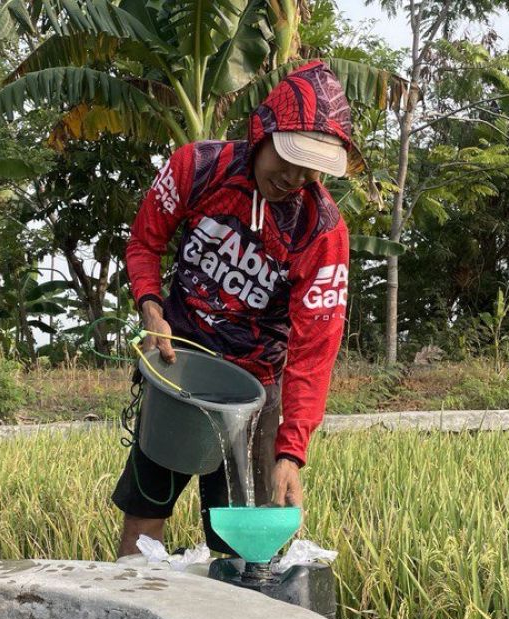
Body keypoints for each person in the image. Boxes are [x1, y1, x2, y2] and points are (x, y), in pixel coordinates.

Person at [112, 60, 355, 558]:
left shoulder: (320, 230)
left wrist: (291, 450)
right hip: (180, 372)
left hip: (253, 392)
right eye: (286, 158)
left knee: (241, 546)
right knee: (144, 517)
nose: (293, 177)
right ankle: (132, 615)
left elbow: (314, 351)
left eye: (309, 168)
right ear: (262, 130)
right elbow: (144, 243)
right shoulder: (198, 167)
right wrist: (151, 308)